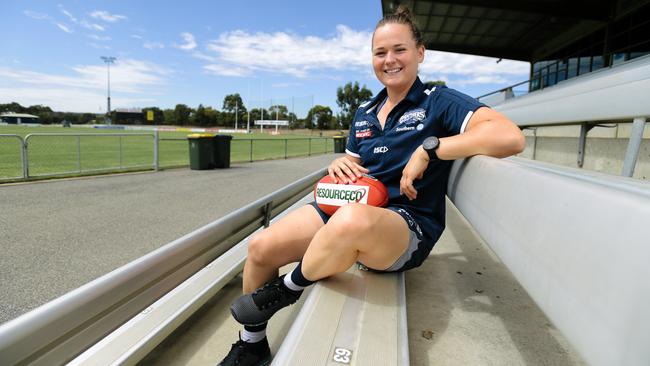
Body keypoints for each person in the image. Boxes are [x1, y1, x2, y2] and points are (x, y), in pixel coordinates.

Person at [217, 6, 525, 366]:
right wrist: (338, 164)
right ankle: (252, 344)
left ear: (420, 53)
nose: (389, 60)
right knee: (261, 246)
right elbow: (358, 168)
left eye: (400, 50)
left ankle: (287, 288)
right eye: (380, 53)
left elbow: (508, 137)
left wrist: (432, 149)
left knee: (351, 221)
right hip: (351, 207)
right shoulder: (364, 111)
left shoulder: (438, 101)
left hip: (401, 224)